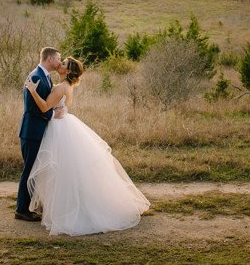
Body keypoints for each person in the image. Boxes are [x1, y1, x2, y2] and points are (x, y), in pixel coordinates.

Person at [24, 56, 150, 236]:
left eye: (63, 64)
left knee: (61, 171)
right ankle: (66, 205)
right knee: (67, 171)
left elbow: (44, 107)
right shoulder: (65, 86)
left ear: (67, 71)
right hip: (64, 125)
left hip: (60, 130)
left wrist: (32, 91)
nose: (60, 64)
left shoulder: (61, 87)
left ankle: (68, 210)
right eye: (61, 62)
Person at [15, 46, 63, 221]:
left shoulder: (45, 77)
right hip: (31, 132)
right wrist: (51, 114)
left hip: (37, 131)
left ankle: (28, 205)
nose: (59, 62)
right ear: (49, 59)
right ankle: (21, 210)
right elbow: (30, 107)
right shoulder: (35, 76)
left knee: (35, 170)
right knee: (29, 170)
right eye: (58, 58)